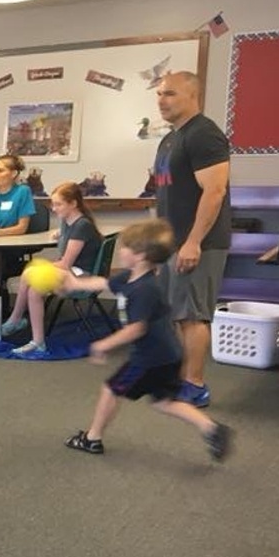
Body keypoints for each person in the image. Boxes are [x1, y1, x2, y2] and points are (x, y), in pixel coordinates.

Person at [59, 219, 231, 460]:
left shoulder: (145, 289)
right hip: (167, 356)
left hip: (149, 359)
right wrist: (73, 283)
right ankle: (212, 428)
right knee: (164, 402)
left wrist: (102, 345)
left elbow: (135, 330)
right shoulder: (130, 278)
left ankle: (92, 438)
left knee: (110, 389)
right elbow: (103, 282)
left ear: (139, 255)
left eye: (125, 247)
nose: (120, 251)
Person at [152, 71, 232, 408]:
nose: (161, 100)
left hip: (199, 243)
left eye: (169, 93)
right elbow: (167, 197)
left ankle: (195, 385)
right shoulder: (170, 139)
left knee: (193, 315)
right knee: (176, 314)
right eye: (158, 94)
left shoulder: (204, 134)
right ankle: (182, 377)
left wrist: (193, 242)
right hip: (173, 243)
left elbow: (214, 192)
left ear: (192, 96)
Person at [0, 181, 102, 356]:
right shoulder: (69, 222)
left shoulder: (82, 226)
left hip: (80, 276)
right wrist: (59, 233)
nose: (54, 208)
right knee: (34, 290)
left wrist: (42, 266)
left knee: (29, 272)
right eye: (53, 204)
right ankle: (37, 341)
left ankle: (16, 320)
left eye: (58, 204)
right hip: (71, 271)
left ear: (73, 204)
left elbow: (65, 264)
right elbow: (66, 235)